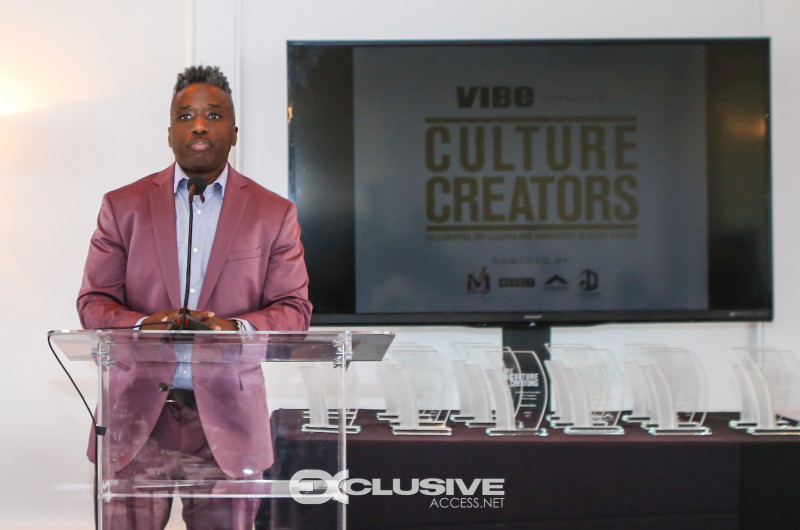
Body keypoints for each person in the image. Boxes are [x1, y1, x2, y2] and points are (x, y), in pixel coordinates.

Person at [77, 65, 312, 529]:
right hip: (136, 421)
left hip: (228, 424)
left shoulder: (273, 213)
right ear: (169, 134)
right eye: (186, 116)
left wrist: (235, 329)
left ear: (234, 132)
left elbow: (294, 310)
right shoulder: (123, 206)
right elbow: (93, 301)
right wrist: (143, 326)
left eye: (213, 115)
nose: (199, 125)